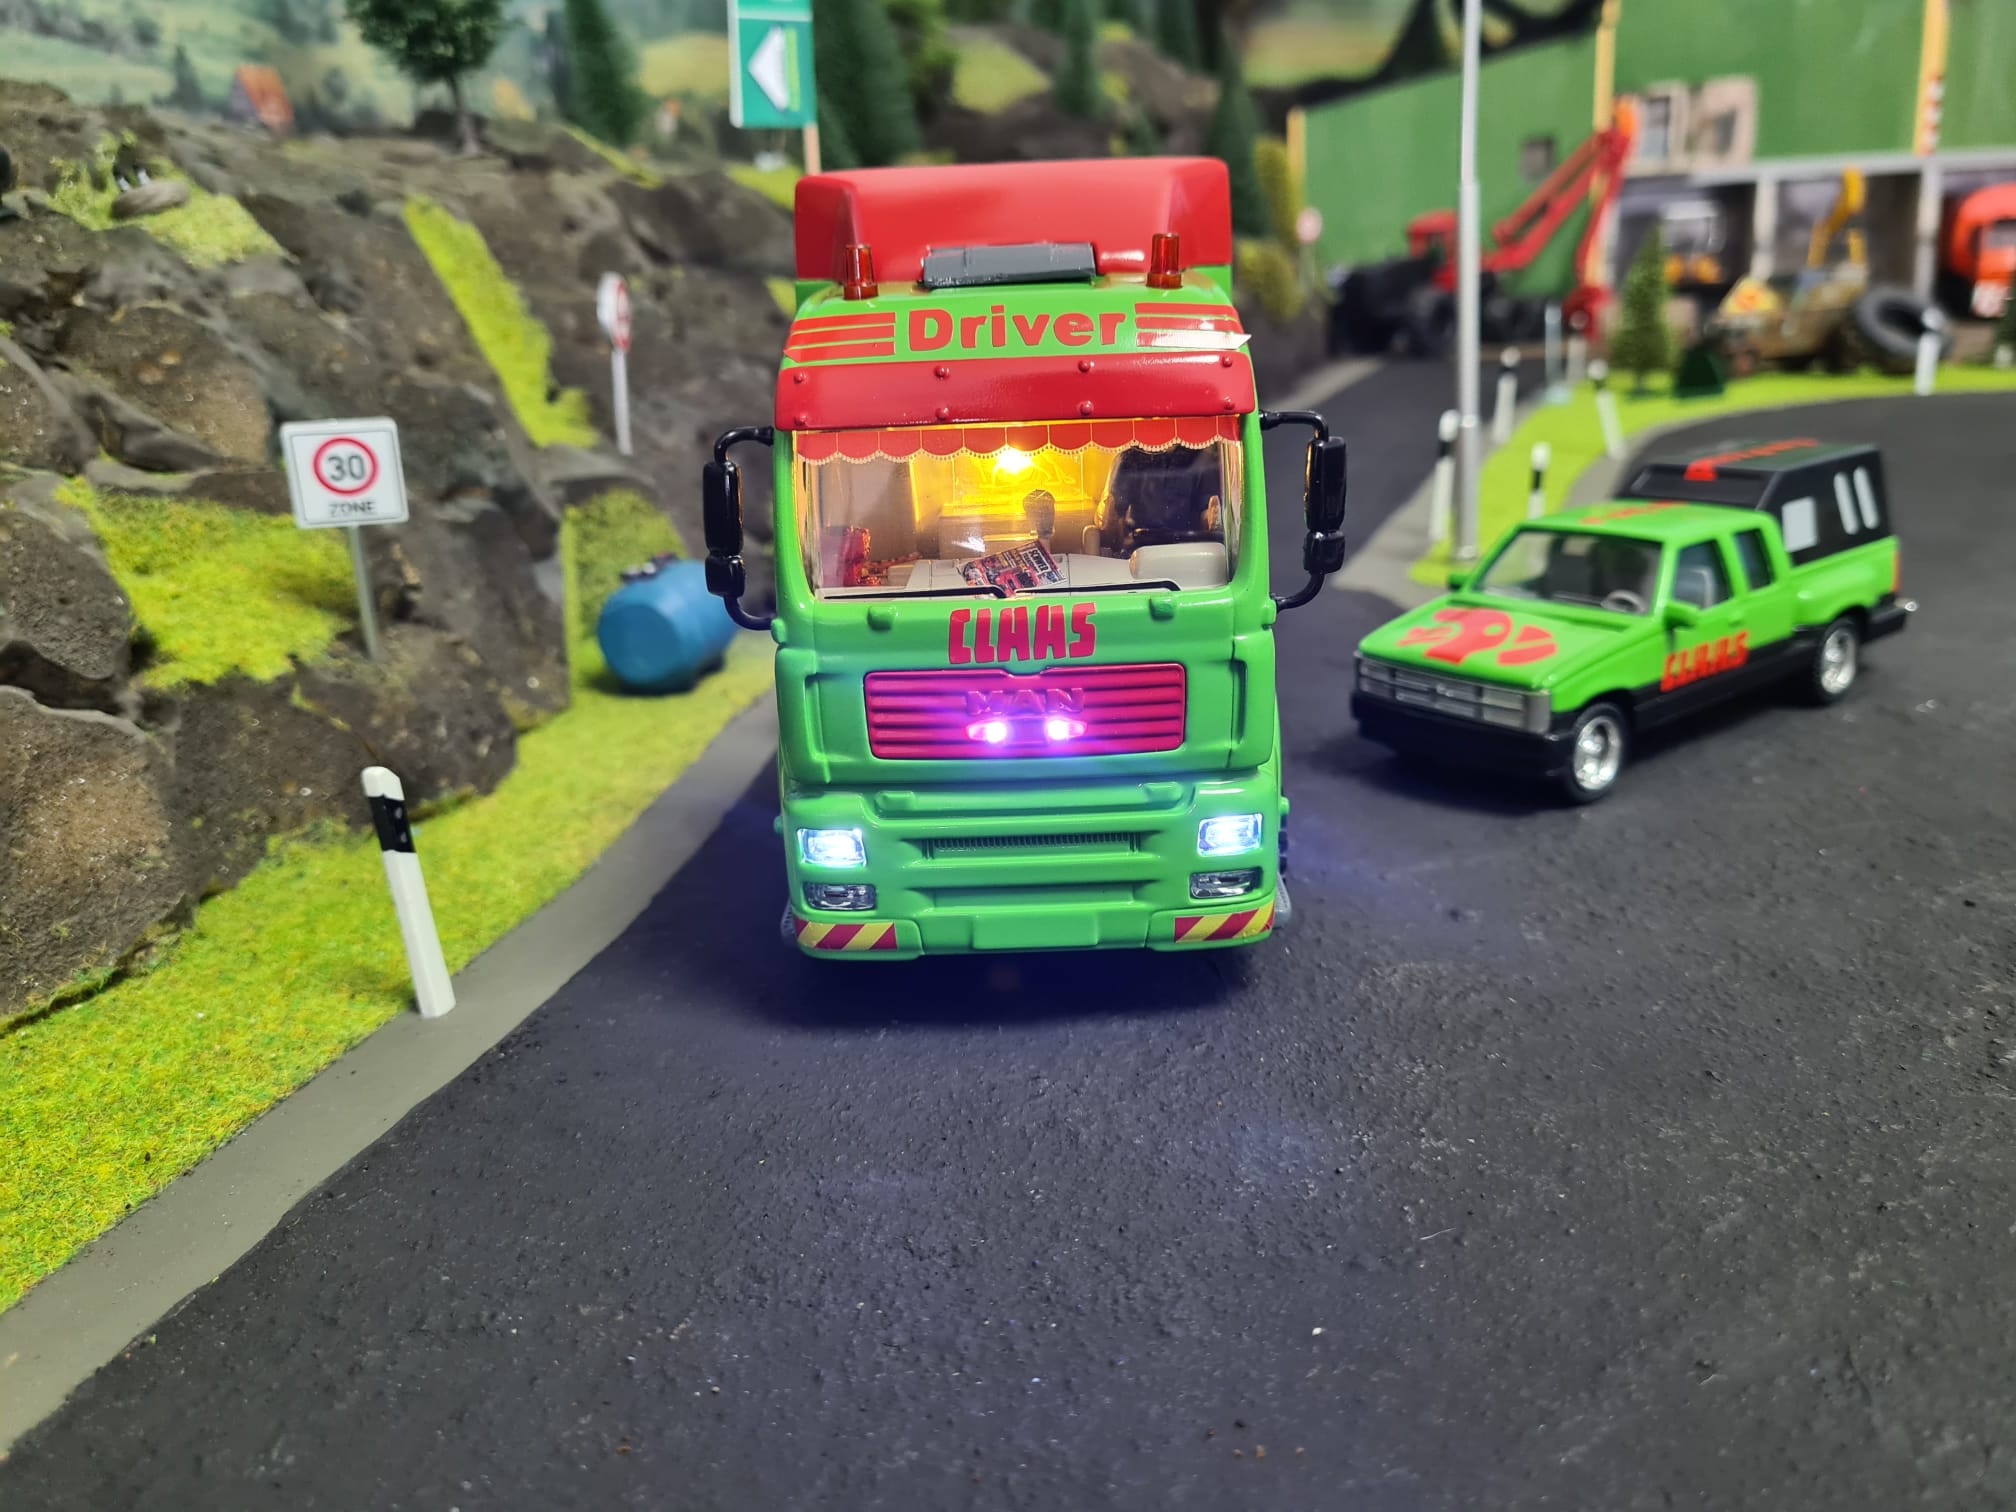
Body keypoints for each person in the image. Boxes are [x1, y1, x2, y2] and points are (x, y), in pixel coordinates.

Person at [1021, 488, 1057, 554]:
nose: (1042, 514)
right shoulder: (1022, 544)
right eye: (1034, 510)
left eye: (1046, 508)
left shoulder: (1066, 541)